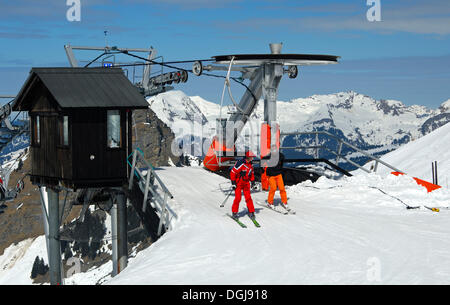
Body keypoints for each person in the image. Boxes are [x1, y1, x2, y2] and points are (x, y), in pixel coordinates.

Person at [230, 150, 256, 220]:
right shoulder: (240, 163)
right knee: (238, 198)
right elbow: (232, 172)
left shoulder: (251, 164)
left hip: (246, 183)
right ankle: (234, 212)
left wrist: (253, 181)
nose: (253, 158)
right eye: (252, 157)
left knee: (248, 198)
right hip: (239, 183)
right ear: (248, 157)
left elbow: (251, 173)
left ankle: (251, 212)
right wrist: (233, 183)